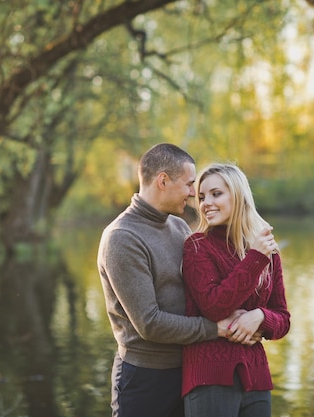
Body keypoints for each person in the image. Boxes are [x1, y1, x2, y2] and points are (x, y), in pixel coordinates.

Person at [97, 144, 247, 417]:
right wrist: (218, 329)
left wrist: (254, 314)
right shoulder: (122, 237)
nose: (194, 194)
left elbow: (208, 290)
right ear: (163, 180)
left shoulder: (178, 226)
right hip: (145, 379)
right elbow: (150, 324)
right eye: (189, 184)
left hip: (189, 371)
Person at [181, 163, 291, 417]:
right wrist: (255, 259)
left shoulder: (266, 250)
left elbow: (283, 319)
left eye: (216, 194)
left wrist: (260, 317)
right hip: (209, 376)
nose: (206, 203)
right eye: (201, 197)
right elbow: (214, 306)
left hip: (257, 377)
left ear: (238, 195)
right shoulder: (197, 246)